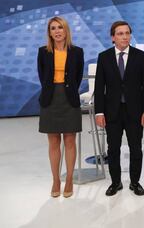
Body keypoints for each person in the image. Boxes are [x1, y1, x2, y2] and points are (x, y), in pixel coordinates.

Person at [94, 21, 144, 196]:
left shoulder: (140, 56)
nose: (125, 36)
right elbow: (99, 86)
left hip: (135, 111)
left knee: (135, 148)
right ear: (113, 37)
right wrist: (99, 111)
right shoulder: (103, 57)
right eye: (120, 33)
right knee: (113, 149)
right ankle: (115, 182)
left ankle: (135, 182)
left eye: (127, 33)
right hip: (112, 112)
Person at [37, 16, 84, 198]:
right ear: (49, 32)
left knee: (70, 140)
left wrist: (68, 89)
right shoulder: (43, 52)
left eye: (60, 28)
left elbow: (78, 76)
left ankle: (70, 179)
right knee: (53, 141)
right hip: (50, 99)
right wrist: (52, 89)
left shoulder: (77, 52)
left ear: (66, 31)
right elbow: (42, 76)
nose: (57, 31)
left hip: (69, 99)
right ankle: (56, 179)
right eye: (53, 28)